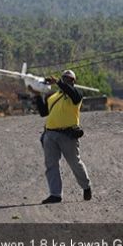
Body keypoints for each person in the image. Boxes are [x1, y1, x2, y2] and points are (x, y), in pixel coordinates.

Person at [30, 69, 92, 204]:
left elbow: (73, 94)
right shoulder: (53, 96)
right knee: (51, 164)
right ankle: (55, 194)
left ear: (73, 81)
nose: (66, 80)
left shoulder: (76, 95)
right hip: (50, 133)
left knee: (75, 163)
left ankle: (86, 186)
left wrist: (58, 82)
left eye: (69, 78)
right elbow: (43, 112)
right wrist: (37, 95)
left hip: (68, 134)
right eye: (64, 77)